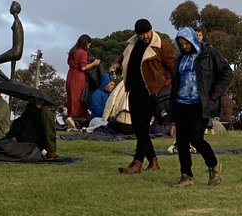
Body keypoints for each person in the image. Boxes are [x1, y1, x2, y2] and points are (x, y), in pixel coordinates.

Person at [168, 27, 232, 187]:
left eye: (186, 43)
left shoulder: (209, 54)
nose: (184, 47)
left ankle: (214, 166)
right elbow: (175, 82)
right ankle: (186, 176)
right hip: (181, 103)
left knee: (196, 139)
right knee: (181, 141)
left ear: (193, 41)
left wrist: (214, 95)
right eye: (181, 44)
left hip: (200, 104)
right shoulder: (180, 59)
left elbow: (227, 73)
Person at [115, 19, 175, 174]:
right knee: (138, 128)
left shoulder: (162, 45)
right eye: (141, 34)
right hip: (134, 91)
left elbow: (173, 67)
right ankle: (153, 161)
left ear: (151, 30)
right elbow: (123, 57)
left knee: (142, 128)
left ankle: (137, 162)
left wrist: (172, 89)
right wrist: (117, 64)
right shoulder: (131, 44)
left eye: (147, 33)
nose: (145, 36)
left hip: (153, 92)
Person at [0, 97, 58, 161]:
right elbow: (49, 134)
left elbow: (49, 134)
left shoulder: (40, 114)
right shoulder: (33, 114)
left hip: (26, 146)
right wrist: (51, 153)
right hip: (26, 146)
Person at [66, 34, 101, 123]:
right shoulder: (83, 52)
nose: (89, 46)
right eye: (89, 44)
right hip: (79, 76)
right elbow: (83, 67)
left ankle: (70, 116)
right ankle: (76, 118)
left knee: (71, 97)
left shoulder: (72, 51)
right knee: (79, 98)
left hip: (70, 75)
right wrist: (94, 63)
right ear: (86, 43)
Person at [0, 1, 24, 80]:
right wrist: (12, 75)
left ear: (16, 9)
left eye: (11, 7)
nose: (9, 8)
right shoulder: (18, 22)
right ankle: (10, 79)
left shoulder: (17, 22)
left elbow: (15, 47)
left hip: (14, 51)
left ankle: (6, 79)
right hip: (17, 52)